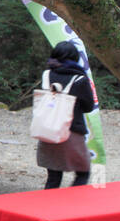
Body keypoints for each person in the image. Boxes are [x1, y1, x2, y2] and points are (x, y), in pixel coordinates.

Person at [36, 41, 96, 189]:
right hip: (72, 132)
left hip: (48, 131)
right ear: (75, 57)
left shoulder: (46, 75)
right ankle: (70, 205)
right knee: (83, 172)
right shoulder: (80, 79)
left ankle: (46, 209)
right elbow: (88, 106)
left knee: (54, 176)